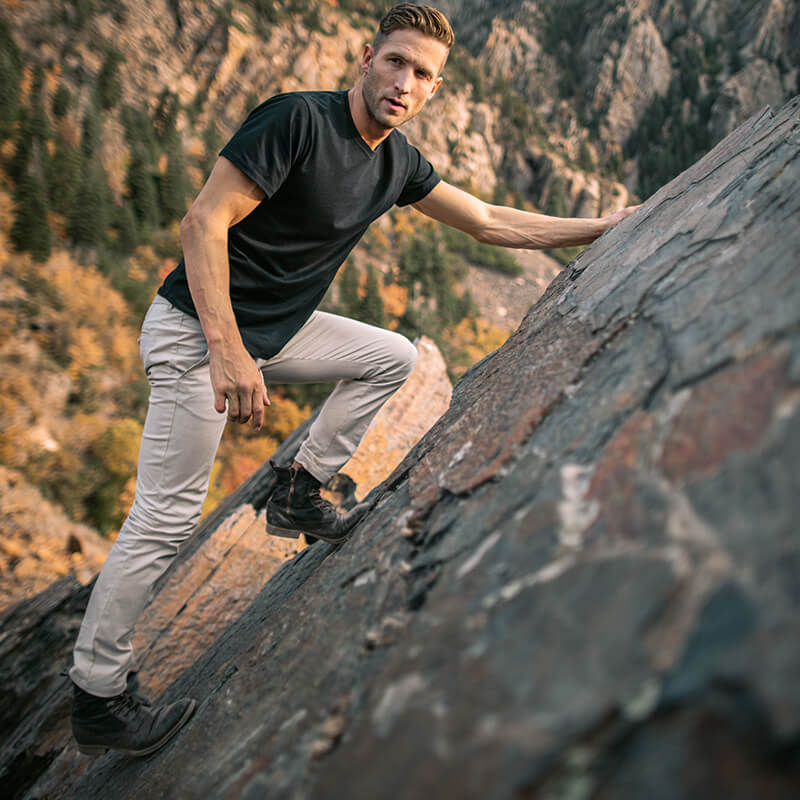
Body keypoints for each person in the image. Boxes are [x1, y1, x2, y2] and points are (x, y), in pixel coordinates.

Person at [69, 3, 638, 757]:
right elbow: (201, 223)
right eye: (395, 61)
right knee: (166, 517)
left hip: (270, 335)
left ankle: (301, 492)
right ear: (367, 58)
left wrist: (603, 228)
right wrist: (228, 351)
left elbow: (490, 222)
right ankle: (97, 695)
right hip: (198, 332)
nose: (405, 82)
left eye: (423, 74)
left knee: (391, 356)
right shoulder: (298, 121)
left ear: (435, 89)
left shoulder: (396, 162)